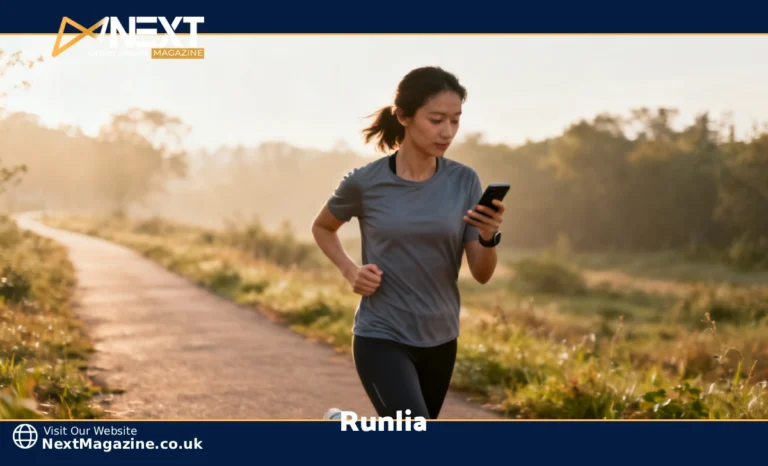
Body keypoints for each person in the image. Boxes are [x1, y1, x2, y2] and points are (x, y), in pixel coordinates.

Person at [311, 66, 506, 420]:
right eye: (436, 120)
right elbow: (323, 227)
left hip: (441, 337)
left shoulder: (464, 181)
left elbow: (481, 274)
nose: (447, 132)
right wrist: (351, 271)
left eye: (455, 120)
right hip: (381, 334)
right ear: (403, 116)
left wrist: (488, 237)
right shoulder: (365, 182)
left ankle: (342, 425)